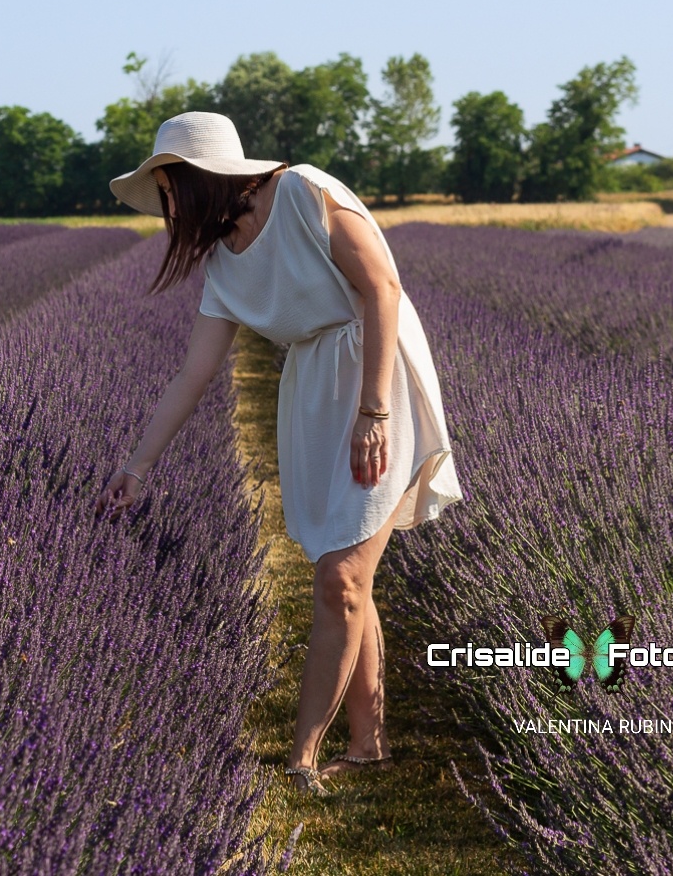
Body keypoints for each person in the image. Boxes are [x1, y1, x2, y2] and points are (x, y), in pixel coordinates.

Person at [93, 111, 464, 797]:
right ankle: (368, 743)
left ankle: (303, 757)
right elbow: (193, 374)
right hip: (313, 394)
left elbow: (382, 288)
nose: (165, 208)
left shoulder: (303, 193)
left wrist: (374, 410)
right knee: (343, 569)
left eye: (167, 189)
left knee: (342, 580)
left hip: (375, 373)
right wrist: (137, 465)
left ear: (198, 179)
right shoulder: (222, 265)